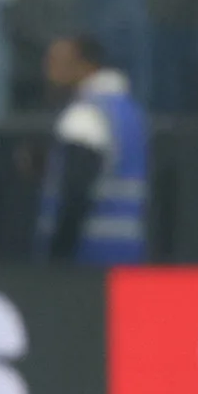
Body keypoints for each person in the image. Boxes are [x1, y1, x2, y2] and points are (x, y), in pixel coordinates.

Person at [34, 34, 148, 264]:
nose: (48, 71)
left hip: (87, 255)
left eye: (57, 62)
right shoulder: (130, 112)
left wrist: (58, 255)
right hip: (128, 252)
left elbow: (76, 189)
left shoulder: (84, 115)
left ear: (84, 65)